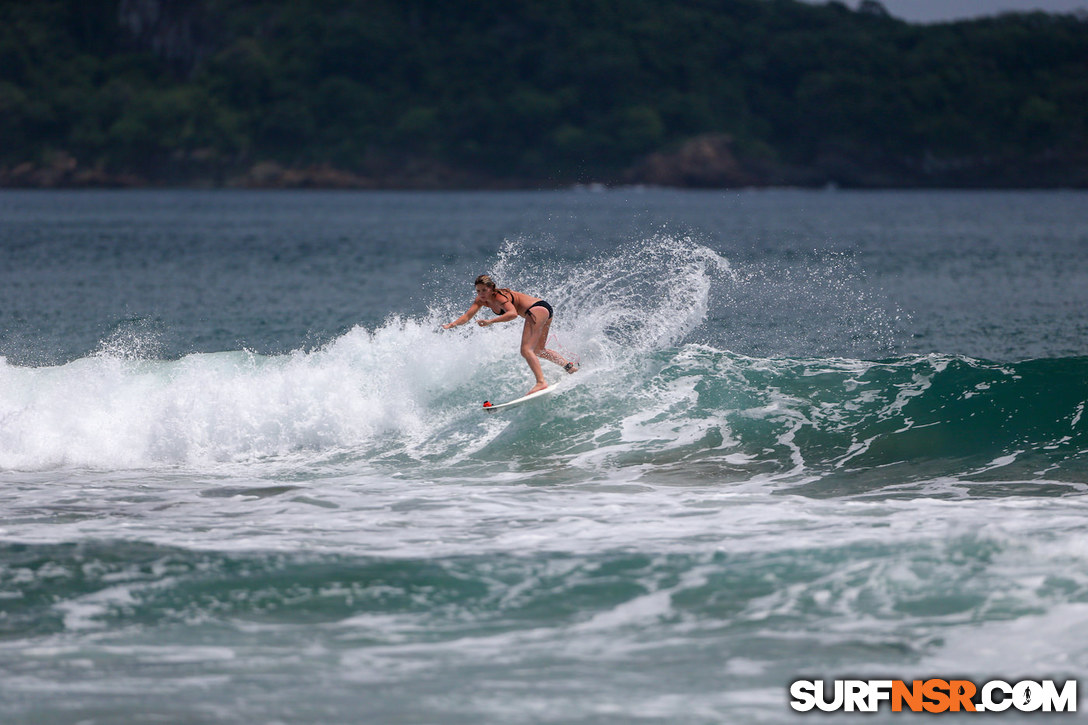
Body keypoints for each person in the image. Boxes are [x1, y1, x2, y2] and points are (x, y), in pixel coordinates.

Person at [443, 274, 578, 395]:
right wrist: (452, 324)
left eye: (484, 290)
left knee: (526, 350)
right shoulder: (481, 300)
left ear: (491, 288)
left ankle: (541, 382)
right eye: (478, 291)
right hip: (543, 309)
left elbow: (512, 313)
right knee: (538, 350)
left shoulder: (499, 297)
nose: (481, 293)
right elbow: (467, 316)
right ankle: (570, 368)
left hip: (536, 309)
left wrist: (491, 321)